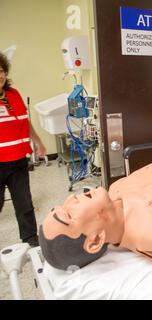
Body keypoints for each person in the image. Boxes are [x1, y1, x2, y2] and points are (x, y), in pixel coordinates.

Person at [0, 52, 46, 248]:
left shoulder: (13, 94)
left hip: (19, 160)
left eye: (1, 71)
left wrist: (38, 142)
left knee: (24, 203)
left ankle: (30, 239)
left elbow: (24, 122)